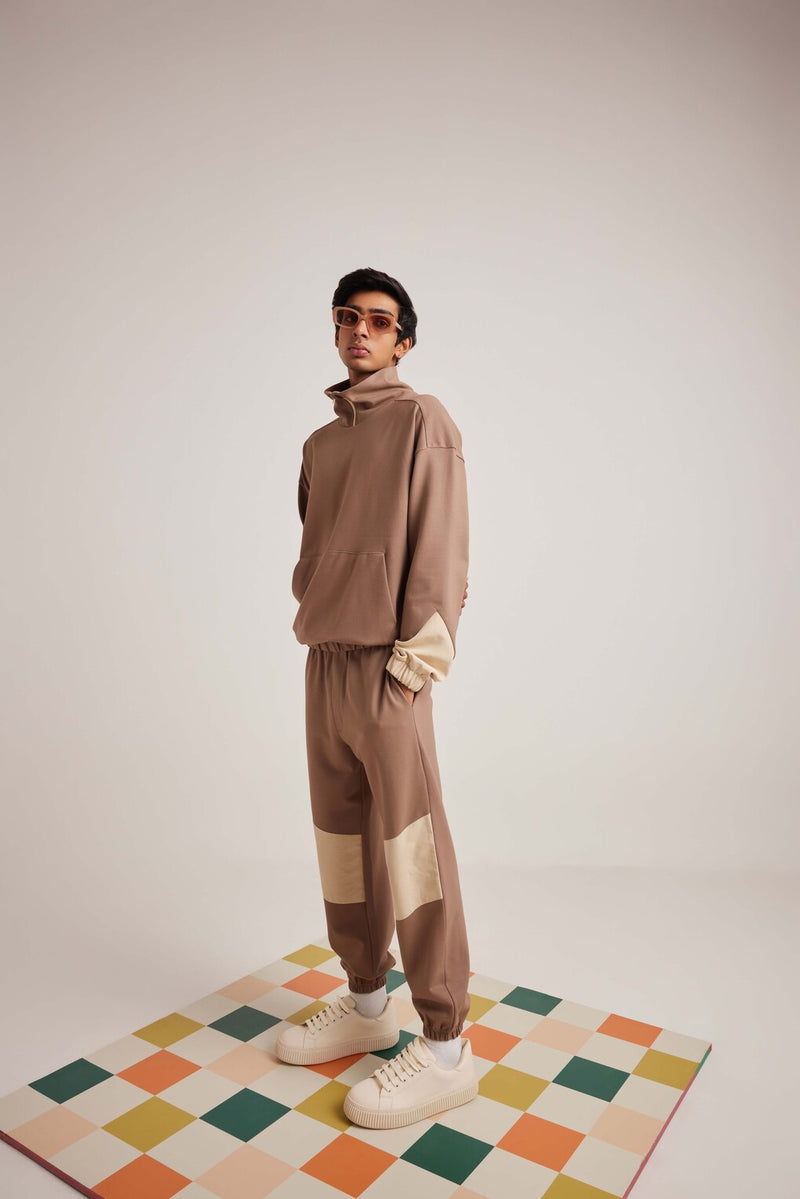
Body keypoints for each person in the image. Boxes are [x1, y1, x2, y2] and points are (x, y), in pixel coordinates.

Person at [276, 266, 477, 1129]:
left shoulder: (424, 420)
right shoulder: (319, 446)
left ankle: (446, 1045)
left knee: (413, 852)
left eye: (380, 320)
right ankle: (366, 1002)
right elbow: (317, 547)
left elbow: (442, 544)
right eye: (347, 316)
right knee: (343, 843)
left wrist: (417, 659)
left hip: (392, 668)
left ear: (404, 339)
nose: (360, 330)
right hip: (324, 664)